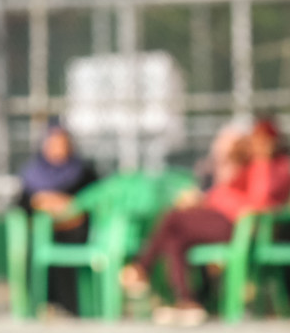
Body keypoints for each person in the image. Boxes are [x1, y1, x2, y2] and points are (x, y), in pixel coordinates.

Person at [121, 118, 290, 324]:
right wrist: (206, 199)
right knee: (175, 238)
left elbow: (260, 200)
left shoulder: (280, 167)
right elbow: (227, 192)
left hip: (238, 226)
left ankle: (142, 267)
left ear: (273, 141)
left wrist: (226, 195)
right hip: (220, 218)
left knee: (172, 218)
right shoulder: (250, 167)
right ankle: (188, 302)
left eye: (263, 140)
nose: (257, 145)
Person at [16, 120, 99, 315]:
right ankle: (41, 304)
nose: (58, 149)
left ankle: (71, 306)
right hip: (43, 231)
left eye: (62, 144)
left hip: (75, 231)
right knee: (36, 248)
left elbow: (93, 198)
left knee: (67, 245)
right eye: (53, 144)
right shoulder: (33, 174)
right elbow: (21, 204)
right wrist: (41, 201)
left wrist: (67, 204)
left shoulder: (83, 172)